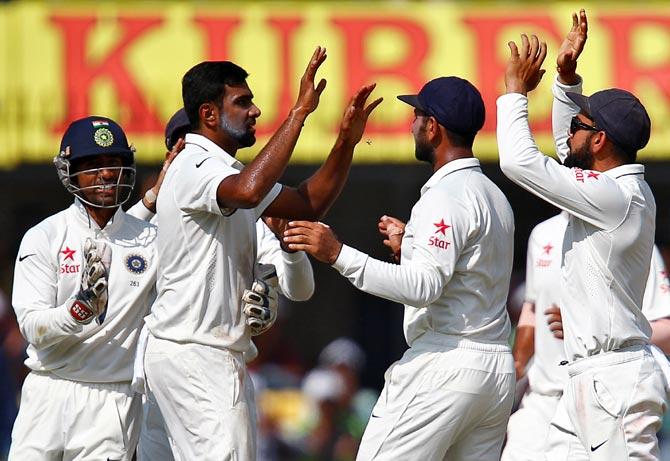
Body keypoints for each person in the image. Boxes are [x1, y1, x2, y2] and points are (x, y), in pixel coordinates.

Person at [143, 47, 382, 459]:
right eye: (242, 102)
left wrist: (345, 142)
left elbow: (309, 206)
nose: (254, 110)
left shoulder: (229, 174)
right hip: (198, 355)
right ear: (209, 114)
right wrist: (299, 113)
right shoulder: (195, 165)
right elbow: (251, 191)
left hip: (195, 355)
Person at [284, 76, 515, 460]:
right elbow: (466, 268)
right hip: (493, 371)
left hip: (446, 362)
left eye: (416, 116)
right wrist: (412, 244)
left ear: (433, 127)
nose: (412, 125)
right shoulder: (494, 195)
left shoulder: (445, 194)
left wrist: (337, 253)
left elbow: (423, 287)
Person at [497, 9, 668, 460]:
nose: (569, 130)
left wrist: (515, 92)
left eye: (580, 125)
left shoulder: (617, 198)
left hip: (614, 383)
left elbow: (521, 163)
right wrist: (566, 81)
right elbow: (566, 155)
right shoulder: (610, 188)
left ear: (600, 141)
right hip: (586, 380)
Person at [135, 108, 316, 460]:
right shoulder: (149, 222)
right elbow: (118, 257)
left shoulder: (244, 211)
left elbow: (301, 289)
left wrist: (288, 251)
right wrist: (151, 199)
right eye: (185, 148)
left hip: (203, 364)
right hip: (157, 375)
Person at [9, 116, 167, 460]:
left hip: (113, 401)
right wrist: (76, 311)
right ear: (69, 172)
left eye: (114, 164)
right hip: (48, 391)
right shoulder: (45, 236)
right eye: (93, 165)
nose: (107, 174)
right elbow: (32, 327)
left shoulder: (152, 243)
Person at [502, 211, 670, 461]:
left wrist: (589, 327)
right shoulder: (542, 233)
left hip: (605, 401)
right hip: (542, 400)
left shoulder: (630, 234)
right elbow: (533, 306)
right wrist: (516, 363)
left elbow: (666, 330)